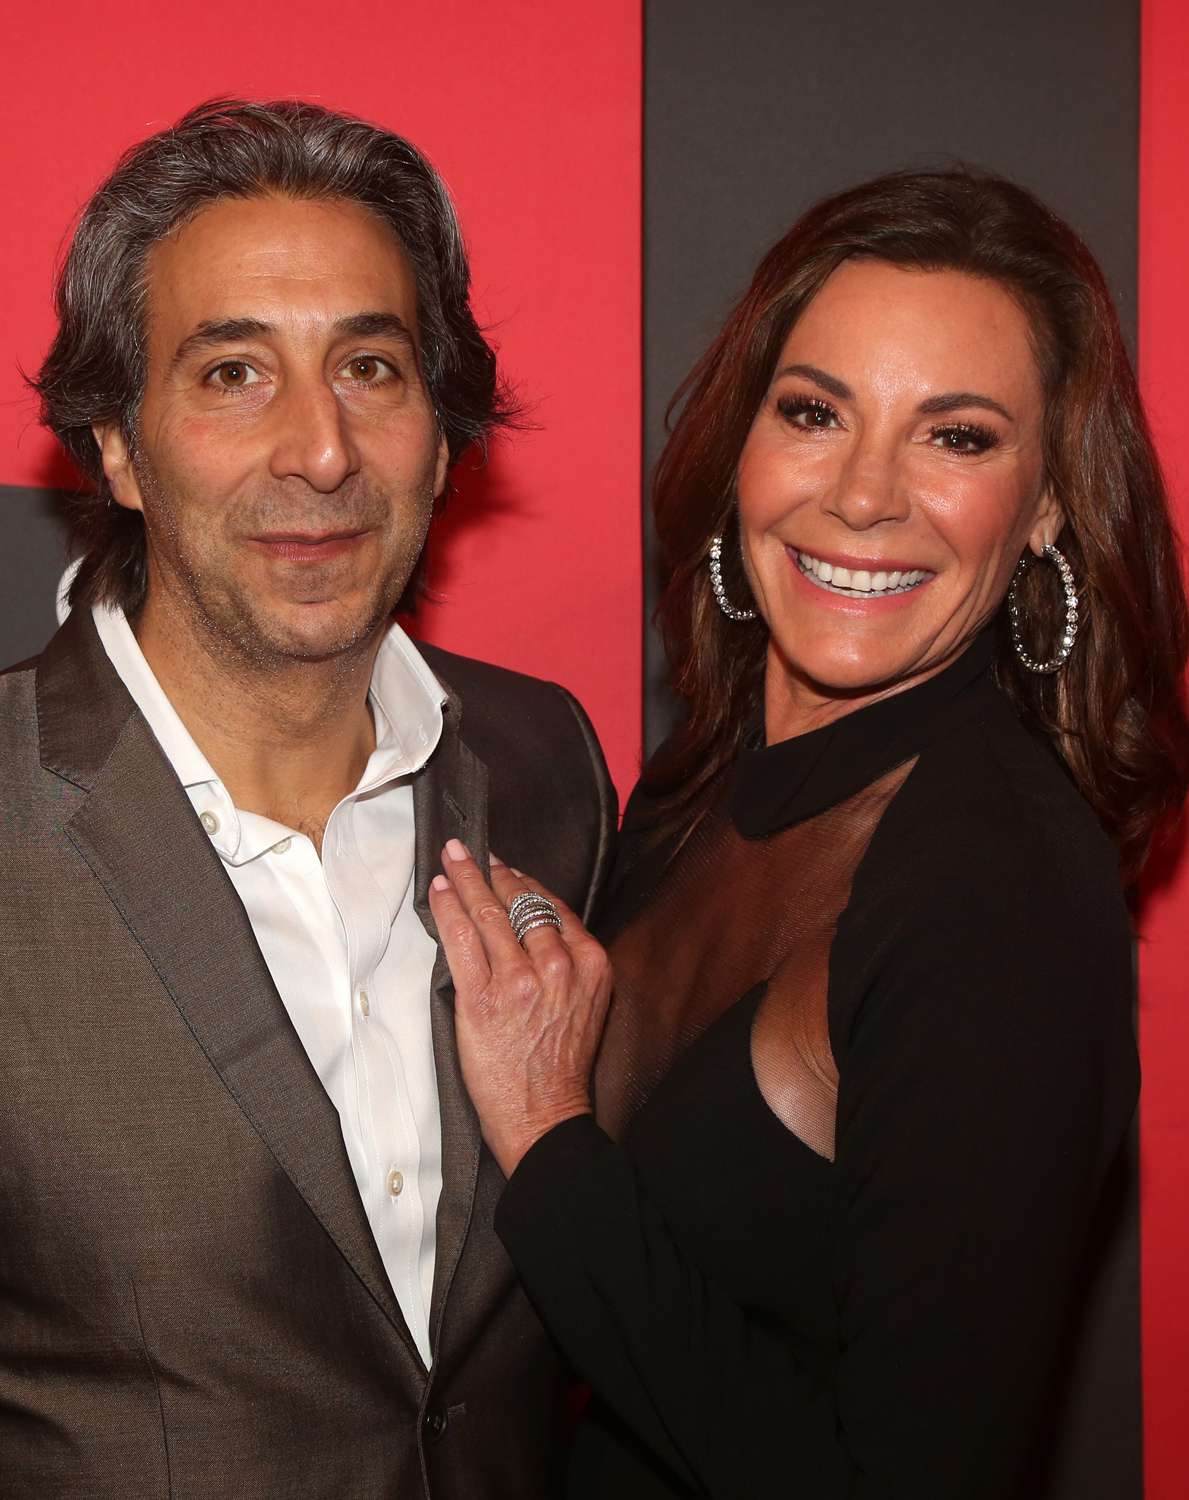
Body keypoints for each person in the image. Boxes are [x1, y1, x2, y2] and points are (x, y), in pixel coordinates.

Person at [430, 169, 1189, 1498]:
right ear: (744, 451)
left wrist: (549, 1133)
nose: (861, 494)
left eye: (955, 438)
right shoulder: (697, 779)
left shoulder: (1001, 894)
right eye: (813, 413)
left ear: (1048, 508)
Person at [0, 98, 615, 1498]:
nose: (321, 451)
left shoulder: (542, 767)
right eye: (231, 373)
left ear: (442, 432)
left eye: (373, 367)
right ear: (115, 445)